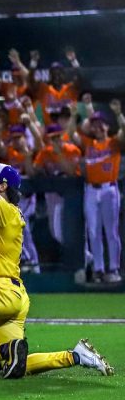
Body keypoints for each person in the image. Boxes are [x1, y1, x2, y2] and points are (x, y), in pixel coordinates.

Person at [0, 137, 112, 378]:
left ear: (3, 186)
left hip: (1, 293)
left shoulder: (6, 211)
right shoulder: (0, 215)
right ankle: (75, 356)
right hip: (10, 297)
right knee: (15, 360)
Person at [68, 109, 123, 283]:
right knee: (93, 231)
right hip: (91, 190)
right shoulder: (88, 144)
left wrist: (119, 113)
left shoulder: (114, 143)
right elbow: (71, 134)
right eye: (94, 124)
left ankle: (113, 269)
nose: (97, 126)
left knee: (111, 231)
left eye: (101, 123)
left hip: (109, 189)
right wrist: (72, 115)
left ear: (107, 126)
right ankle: (99, 270)